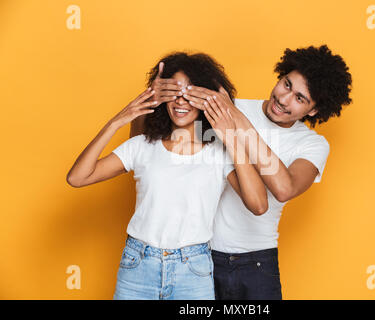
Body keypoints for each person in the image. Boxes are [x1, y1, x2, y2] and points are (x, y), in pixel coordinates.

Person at [66, 51, 268, 300]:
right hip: (137, 265)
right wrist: (119, 120)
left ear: (206, 101)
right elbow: (77, 178)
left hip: (193, 270)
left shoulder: (218, 152)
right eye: (174, 94)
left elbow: (258, 205)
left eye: (189, 95)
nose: (180, 103)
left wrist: (230, 136)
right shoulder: (141, 145)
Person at [170, 44, 353, 299]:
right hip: (200, 258)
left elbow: (284, 188)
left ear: (313, 111)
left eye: (300, 98)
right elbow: (172, 143)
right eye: (287, 84)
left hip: (256, 266)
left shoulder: (311, 144)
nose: (284, 99)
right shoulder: (228, 106)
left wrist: (236, 118)